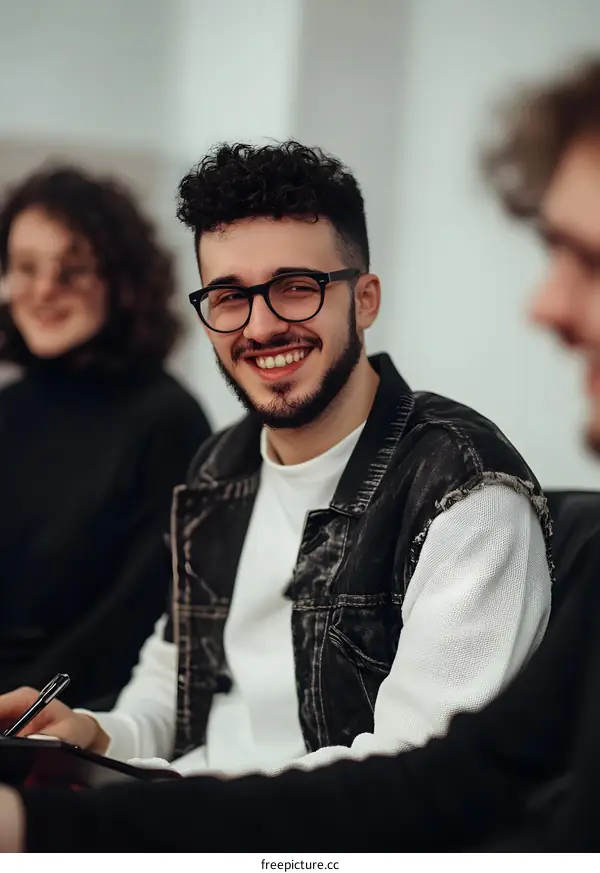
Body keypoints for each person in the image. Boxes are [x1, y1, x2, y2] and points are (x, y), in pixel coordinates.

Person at [0, 142, 552, 778]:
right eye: (230, 296)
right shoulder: (220, 467)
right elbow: (169, 688)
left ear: (365, 299)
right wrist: (95, 735)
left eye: (295, 288)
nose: (260, 328)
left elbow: (412, 781)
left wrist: (177, 809)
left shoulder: (465, 492)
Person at [0, 165, 212, 708]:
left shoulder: (168, 420)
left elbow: (136, 617)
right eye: (25, 267)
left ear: (122, 281)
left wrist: (21, 710)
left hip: (75, 719)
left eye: (71, 271)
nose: (44, 290)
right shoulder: (9, 407)